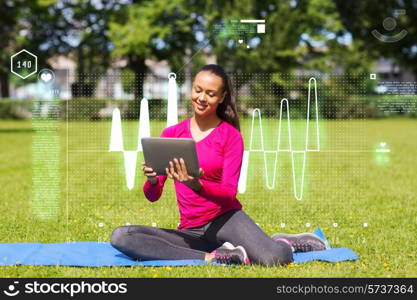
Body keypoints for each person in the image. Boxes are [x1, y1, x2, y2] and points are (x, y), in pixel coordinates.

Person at [110, 64, 326, 266]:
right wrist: (152, 180)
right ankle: (213, 256)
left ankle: (284, 243)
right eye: (198, 90)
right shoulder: (172, 134)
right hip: (191, 230)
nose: (201, 98)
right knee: (122, 237)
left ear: (222, 97)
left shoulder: (231, 137)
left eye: (210, 94)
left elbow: (228, 194)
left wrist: (196, 184)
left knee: (273, 258)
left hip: (225, 220)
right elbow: (152, 196)